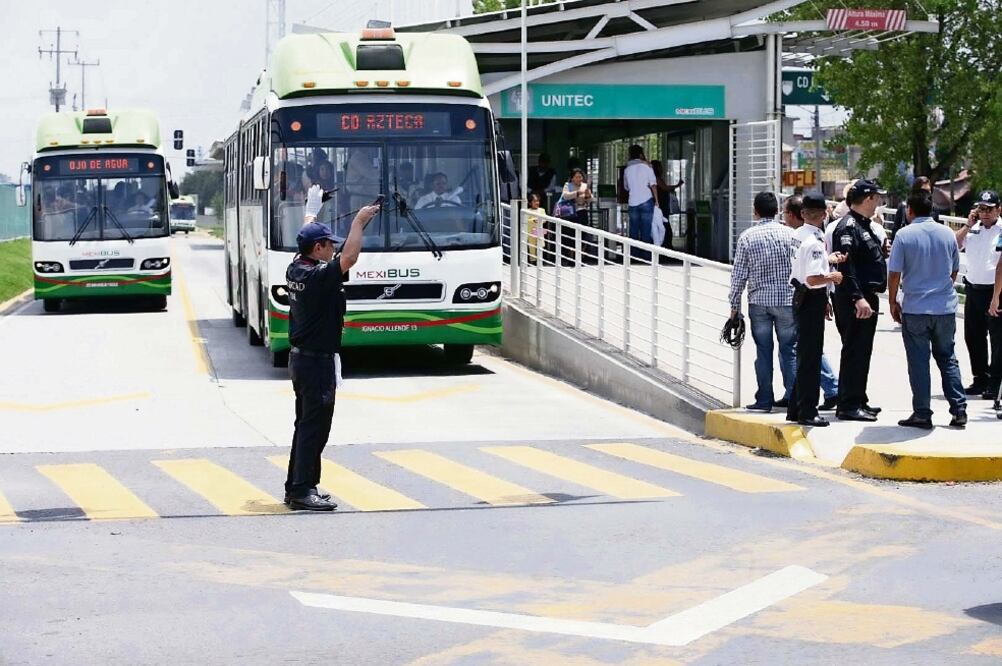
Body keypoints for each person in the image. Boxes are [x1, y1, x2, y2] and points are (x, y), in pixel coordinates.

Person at [283, 186, 381, 511]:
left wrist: (313, 210)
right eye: (329, 245)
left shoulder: (297, 265)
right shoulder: (317, 276)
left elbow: (307, 231)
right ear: (319, 247)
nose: (333, 250)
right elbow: (350, 257)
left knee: (306, 425)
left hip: (304, 361)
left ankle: (300, 485)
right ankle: (301, 490)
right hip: (315, 364)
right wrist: (358, 222)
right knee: (315, 428)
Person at [888, 191, 967, 428]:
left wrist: (893, 301)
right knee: (948, 358)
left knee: (919, 362)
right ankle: (959, 409)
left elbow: (894, 273)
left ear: (909, 211)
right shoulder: (947, 234)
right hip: (944, 308)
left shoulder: (904, 235)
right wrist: (942, 289)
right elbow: (954, 270)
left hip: (915, 308)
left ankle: (922, 413)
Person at [728, 191, 797, 412]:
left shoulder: (748, 237)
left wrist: (734, 305)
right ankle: (794, 398)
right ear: (777, 211)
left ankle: (765, 399)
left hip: (759, 302)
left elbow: (739, 274)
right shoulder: (791, 235)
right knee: (789, 350)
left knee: (763, 351)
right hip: (787, 300)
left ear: (755, 211)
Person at [831, 179, 887, 421]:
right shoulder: (848, 227)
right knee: (855, 351)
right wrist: (858, 298)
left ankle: (857, 398)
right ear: (867, 199)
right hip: (856, 299)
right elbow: (847, 267)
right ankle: (848, 405)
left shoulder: (864, 225)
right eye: (877, 197)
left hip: (866, 296)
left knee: (862, 351)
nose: (879, 202)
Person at [786, 192, 843, 426]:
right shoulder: (815, 242)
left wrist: (828, 259)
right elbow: (812, 277)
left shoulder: (798, 235)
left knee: (805, 356)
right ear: (824, 214)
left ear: (802, 214)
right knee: (810, 358)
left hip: (801, 297)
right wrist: (833, 276)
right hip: (810, 298)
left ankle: (795, 408)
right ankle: (808, 411)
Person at [955, 190, 1002, 399]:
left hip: (995, 291)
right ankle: (980, 379)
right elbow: (954, 245)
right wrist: (967, 224)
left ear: (998, 209)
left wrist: (996, 297)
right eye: (981, 209)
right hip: (973, 289)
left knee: (997, 340)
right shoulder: (973, 229)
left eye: (989, 209)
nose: (984, 213)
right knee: (973, 337)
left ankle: (995, 383)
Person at [622, 145, 658, 262]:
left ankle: (633, 256)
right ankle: (646, 256)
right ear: (641, 154)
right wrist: (657, 201)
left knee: (633, 230)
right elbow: (653, 184)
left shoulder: (627, 170)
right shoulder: (647, 167)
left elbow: (626, 187)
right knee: (646, 230)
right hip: (647, 200)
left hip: (633, 202)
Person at [651, 160, 682, 250]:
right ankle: (666, 245)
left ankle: (664, 245)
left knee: (663, 225)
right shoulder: (656, 179)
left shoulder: (655, 179)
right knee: (665, 226)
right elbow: (665, 188)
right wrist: (677, 185)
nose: (662, 169)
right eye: (660, 167)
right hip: (660, 206)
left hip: (661, 206)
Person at [524, 192, 548, 264]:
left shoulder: (541, 210)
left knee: (541, 244)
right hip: (531, 232)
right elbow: (526, 220)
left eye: (538, 201)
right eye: (534, 201)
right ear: (530, 202)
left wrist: (539, 220)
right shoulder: (527, 210)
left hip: (539, 230)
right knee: (532, 247)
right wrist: (534, 220)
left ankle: (541, 259)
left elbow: (545, 219)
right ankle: (532, 261)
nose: (537, 202)